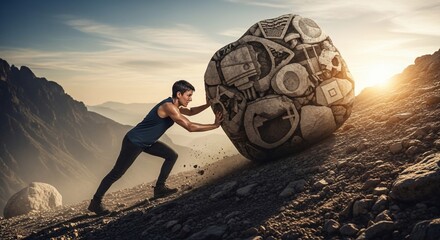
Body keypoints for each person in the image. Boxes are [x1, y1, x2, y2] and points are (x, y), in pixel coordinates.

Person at [88, 80, 223, 215]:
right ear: (179, 94)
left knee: (172, 155)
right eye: (188, 95)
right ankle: (96, 202)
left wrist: (208, 104)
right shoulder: (169, 107)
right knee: (117, 173)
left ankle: (159, 188)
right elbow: (190, 127)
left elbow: (191, 112)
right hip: (134, 142)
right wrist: (214, 125)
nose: (191, 99)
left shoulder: (175, 106)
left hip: (148, 142)